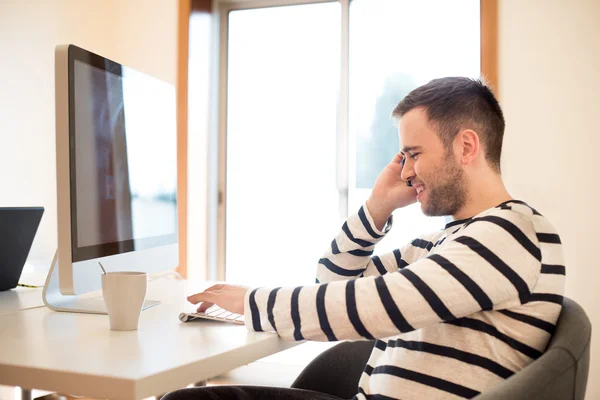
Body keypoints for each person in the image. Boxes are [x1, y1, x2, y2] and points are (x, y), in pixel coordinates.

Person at [163, 77, 565, 400]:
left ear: (465, 146)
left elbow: (376, 307)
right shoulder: (447, 241)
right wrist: (377, 207)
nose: (406, 172)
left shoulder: (508, 234)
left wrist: (250, 301)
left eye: (414, 153)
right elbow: (333, 284)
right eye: (402, 158)